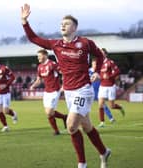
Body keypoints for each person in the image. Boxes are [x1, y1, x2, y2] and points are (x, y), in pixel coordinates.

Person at [21, 4, 111, 168]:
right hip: (68, 91)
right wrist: (24, 22)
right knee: (86, 126)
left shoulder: (85, 43)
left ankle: (81, 164)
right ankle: (104, 152)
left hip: (83, 89)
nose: (62, 25)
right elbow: (34, 38)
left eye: (67, 23)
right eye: (61, 24)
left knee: (71, 125)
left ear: (75, 27)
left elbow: (99, 55)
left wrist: (97, 71)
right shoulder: (55, 45)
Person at [30, 49, 67, 135]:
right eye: (37, 56)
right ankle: (63, 119)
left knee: (50, 112)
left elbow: (64, 73)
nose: (38, 58)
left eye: (39, 56)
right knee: (49, 113)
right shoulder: (39, 67)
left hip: (55, 91)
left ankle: (56, 130)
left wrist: (64, 86)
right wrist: (33, 86)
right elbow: (39, 80)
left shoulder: (52, 64)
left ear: (45, 55)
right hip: (46, 92)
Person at [98, 48, 125, 127]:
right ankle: (102, 122)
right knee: (100, 104)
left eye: (102, 53)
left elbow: (117, 71)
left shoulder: (110, 62)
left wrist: (109, 76)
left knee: (111, 106)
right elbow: (98, 73)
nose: (101, 54)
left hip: (110, 86)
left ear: (105, 54)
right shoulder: (99, 63)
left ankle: (120, 107)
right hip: (102, 86)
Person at [89, 58, 115, 126]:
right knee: (86, 105)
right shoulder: (89, 71)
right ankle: (83, 120)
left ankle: (110, 118)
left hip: (98, 89)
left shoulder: (99, 70)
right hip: (90, 90)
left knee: (102, 104)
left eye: (96, 64)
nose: (95, 65)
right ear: (92, 64)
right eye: (93, 64)